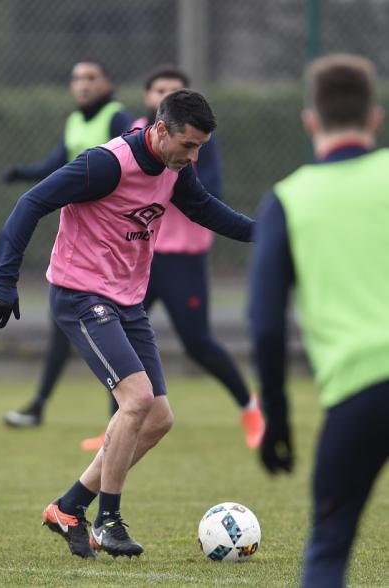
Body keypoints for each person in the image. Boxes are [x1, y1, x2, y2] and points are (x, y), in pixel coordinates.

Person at [0, 90, 253, 560]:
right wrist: (5, 279)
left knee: (159, 418)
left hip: (126, 302)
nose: (194, 158)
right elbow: (30, 203)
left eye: (200, 148)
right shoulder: (106, 164)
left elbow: (208, 210)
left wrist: (267, 231)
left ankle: (69, 507)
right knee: (138, 399)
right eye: (189, 146)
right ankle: (108, 521)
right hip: (81, 295)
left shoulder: (175, 170)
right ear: (161, 129)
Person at [249, 54, 389, 587]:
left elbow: (265, 324)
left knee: (329, 550)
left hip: (356, 394)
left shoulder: (287, 200)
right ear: (375, 117)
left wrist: (277, 420)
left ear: (311, 121)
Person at [80, 66, 263, 453]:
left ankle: (250, 408)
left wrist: (174, 180)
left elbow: (208, 193)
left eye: (173, 88)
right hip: (138, 261)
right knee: (120, 341)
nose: (164, 93)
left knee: (197, 342)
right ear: (150, 98)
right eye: (159, 88)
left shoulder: (195, 139)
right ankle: (114, 429)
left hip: (183, 258)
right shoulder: (136, 139)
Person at [2, 60, 133, 429]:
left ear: (108, 82)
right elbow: (57, 164)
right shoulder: (75, 120)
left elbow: (131, 166)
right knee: (61, 325)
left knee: (128, 327)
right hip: (80, 236)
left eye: (91, 77)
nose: (83, 85)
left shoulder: (117, 118)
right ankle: (40, 405)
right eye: (77, 78)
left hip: (110, 238)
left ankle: (128, 410)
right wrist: (22, 174)